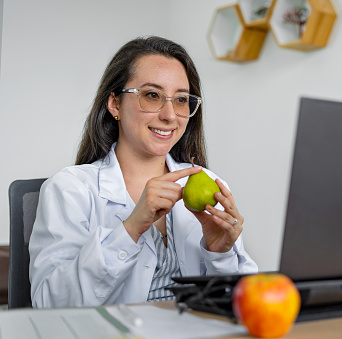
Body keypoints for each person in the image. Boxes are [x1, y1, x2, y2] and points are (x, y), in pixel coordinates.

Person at [29, 36, 258, 308]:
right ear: (114, 104)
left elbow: (247, 305)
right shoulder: (70, 189)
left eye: (181, 99)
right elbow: (50, 306)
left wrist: (220, 254)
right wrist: (130, 228)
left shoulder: (207, 182)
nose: (170, 115)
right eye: (152, 95)